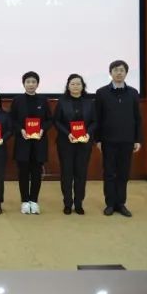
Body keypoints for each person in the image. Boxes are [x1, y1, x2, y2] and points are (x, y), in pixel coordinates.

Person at [94, 60, 142, 217]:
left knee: (123, 173)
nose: (119, 73)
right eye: (115, 70)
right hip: (108, 140)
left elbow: (137, 118)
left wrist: (138, 139)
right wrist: (97, 140)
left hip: (127, 140)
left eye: (122, 70)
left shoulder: (133, 92)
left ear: (126, 73)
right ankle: (110, 204)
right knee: (109, 173)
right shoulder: (102, 93)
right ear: (110, 73)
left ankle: (121, 203)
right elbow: (97, 118)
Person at [53, 73, 95, 214]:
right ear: (68, 86)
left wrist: (88, 133)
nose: (75, 86)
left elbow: (95, 121)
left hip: (84, 143)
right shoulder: (62, 102)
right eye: (72, 84)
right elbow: (57, 121)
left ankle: (78, 203)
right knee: (67, 173)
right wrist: (68, 133)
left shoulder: (90, 102)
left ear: (83, 86)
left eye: (78, 84)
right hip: (66, 143)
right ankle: (67, 203)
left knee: (81, 173)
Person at [11, 70, 51, 214]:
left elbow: (49, 120)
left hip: (39, 142)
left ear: (37, 84)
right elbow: (12, 120)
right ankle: (24, 201)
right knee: (23, 172)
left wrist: (42, 129)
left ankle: (34, 201)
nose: (31, 84)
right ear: (23, 84)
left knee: (36, 173)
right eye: (28, 82)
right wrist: (20, 130)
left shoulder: (43, 100)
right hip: (23, 142)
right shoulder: (17, 100)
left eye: (33, 82)